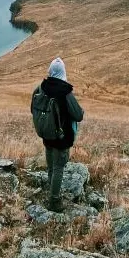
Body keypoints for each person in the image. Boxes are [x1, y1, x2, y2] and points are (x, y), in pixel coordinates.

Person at [31, 57, 84, 212]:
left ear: (51, 71)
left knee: (51, 166)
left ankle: (51, 190)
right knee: (59, 167)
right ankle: (54, 201)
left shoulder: (40, 88)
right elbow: (78, 115)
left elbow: (33, 109)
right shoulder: (65, 93)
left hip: (47, 135)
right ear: (63, 72)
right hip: (62, 137)